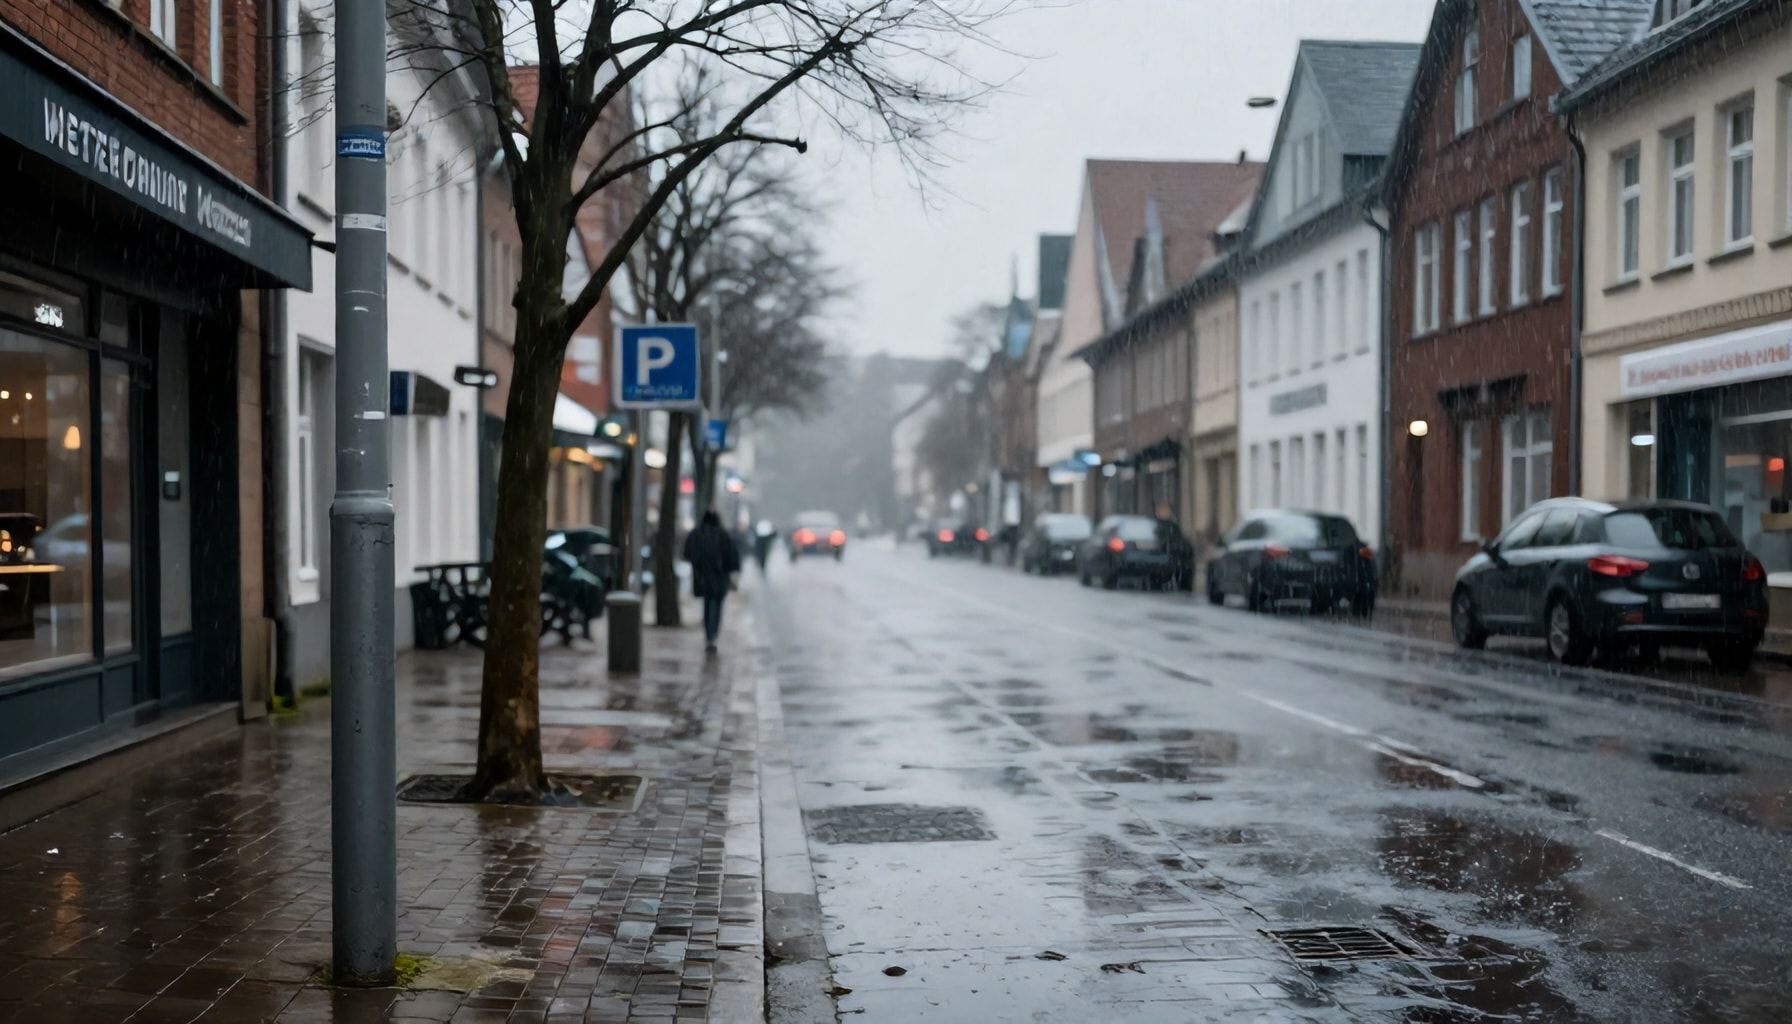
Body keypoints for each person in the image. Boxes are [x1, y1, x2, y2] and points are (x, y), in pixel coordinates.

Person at [682, 510, 741, 652]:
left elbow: (687, 553)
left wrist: (699, 566)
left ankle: (709, 636)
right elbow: (732, 557)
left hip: (703, 578)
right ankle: (713, 636)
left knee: (708, 606)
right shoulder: (723, 535)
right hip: (720, 578)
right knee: (717, 607)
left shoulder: (697, 534)